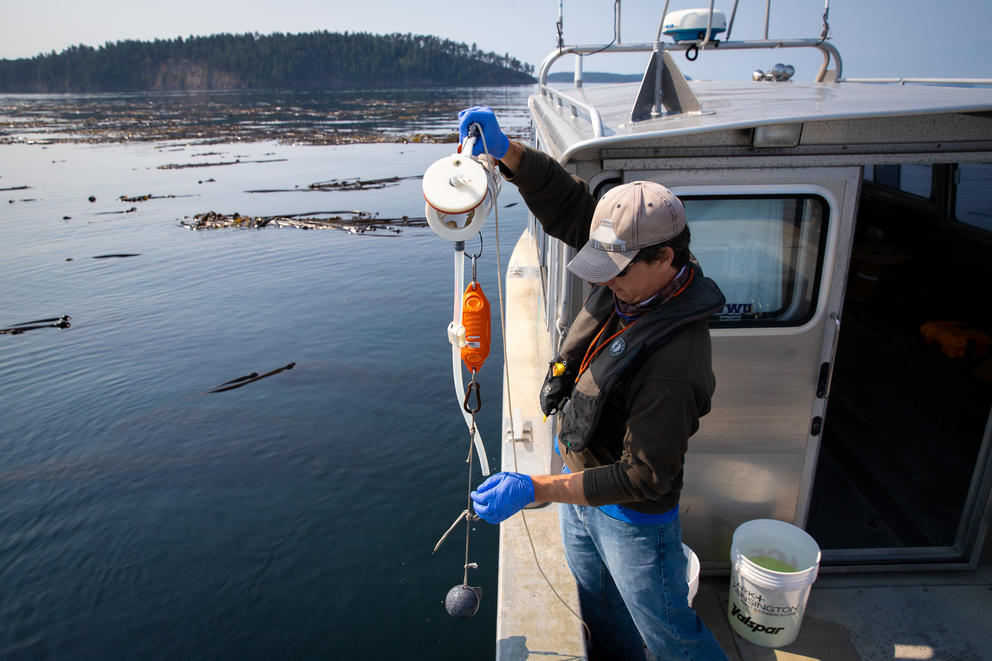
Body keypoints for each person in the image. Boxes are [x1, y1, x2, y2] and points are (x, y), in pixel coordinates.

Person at [460, 106, 728, 661]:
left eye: (619, 271)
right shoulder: (631, 255)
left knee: (670, 633)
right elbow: (566, 201)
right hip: (579, 493)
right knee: (602, 610)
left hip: (632, 519)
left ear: (666, 259)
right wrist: (507, 151)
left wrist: (536, 489)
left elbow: (644, 476)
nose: (607, 279)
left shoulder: (675, 361)